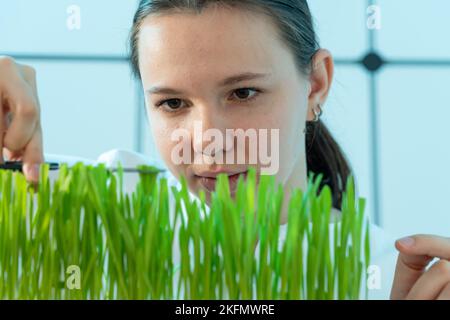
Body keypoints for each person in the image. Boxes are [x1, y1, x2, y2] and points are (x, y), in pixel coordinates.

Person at [1, 0, 449, 300]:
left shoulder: (395, 281)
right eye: (173, 103)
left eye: (243, 93)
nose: (208, 139)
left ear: (316, 84)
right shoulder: (83, 204)